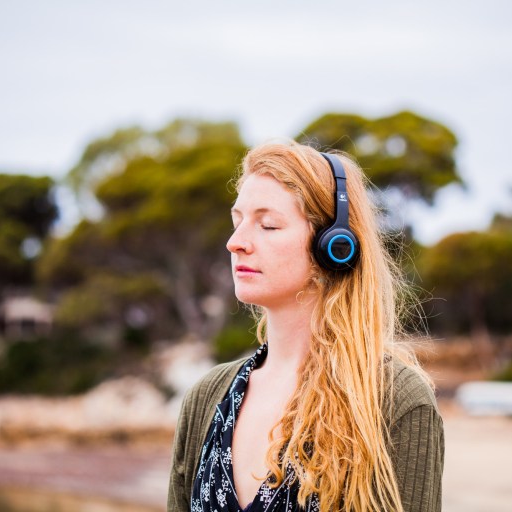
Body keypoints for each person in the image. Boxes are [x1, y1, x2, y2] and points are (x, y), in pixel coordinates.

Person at [168, 141, 444, 512]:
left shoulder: (394, 401)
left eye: (267, 225)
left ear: (334, 246)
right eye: (237, 222)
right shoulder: (206, 398)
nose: (236, 243)